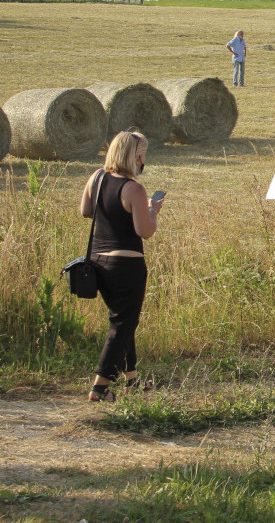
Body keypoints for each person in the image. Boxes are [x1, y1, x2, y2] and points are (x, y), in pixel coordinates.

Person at [79, 132, 163, 402]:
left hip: (97, 262)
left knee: (125, 322)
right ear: (136, 157)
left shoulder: (96, 177)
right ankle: (99, 387)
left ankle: (132, 380)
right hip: (126, 264)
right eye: (143, 157)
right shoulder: (134, 189)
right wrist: (152, 211)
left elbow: (86, 211)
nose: (143, 162)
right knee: (122, 324)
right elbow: (145, 231)